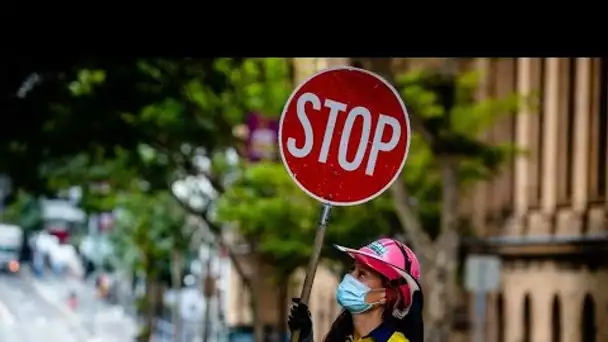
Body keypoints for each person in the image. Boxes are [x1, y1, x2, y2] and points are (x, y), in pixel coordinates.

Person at [288, 238, 424, 342]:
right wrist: (304, 336)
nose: (349, 277)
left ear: (385, 295)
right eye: (352, 269)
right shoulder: (344, 338)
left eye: (362, 274)